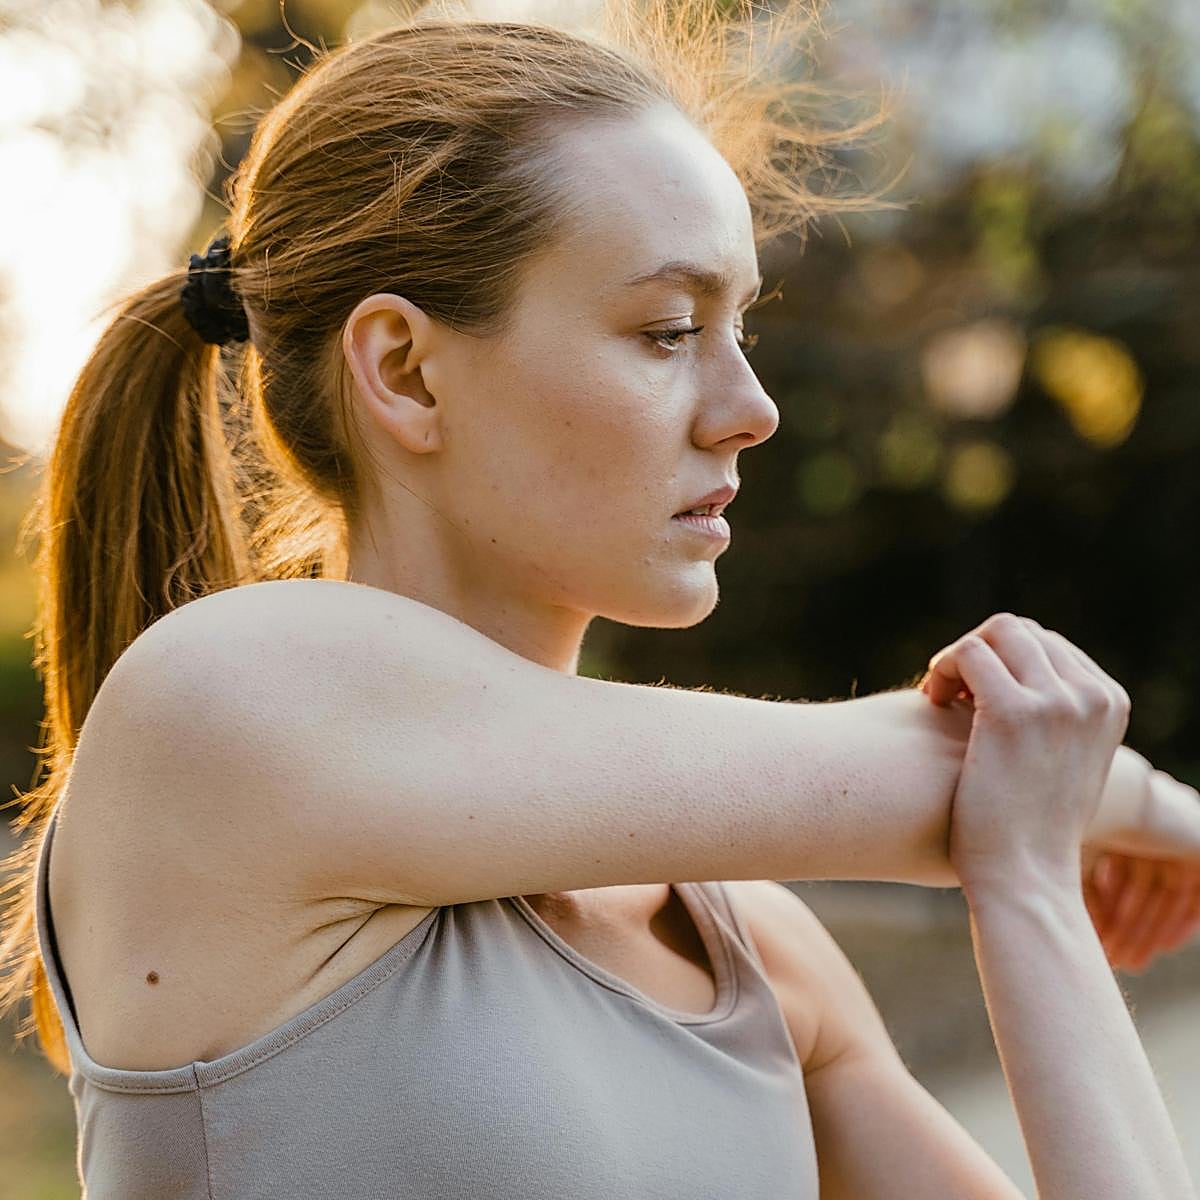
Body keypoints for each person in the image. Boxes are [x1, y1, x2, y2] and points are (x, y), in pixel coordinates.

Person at [1, 3, 1197, 1197]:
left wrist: (1035, 889)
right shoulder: (222, 711)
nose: (753, 408)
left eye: (741, 326)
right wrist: (1111, 806)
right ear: (406, 371)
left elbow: (960, 784)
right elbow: (933, 775)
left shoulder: (755, 954)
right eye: (669, 330)